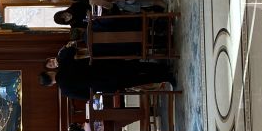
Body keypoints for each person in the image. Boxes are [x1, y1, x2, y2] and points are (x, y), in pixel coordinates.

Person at [37, 44, 173, 100]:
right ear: (49, 72)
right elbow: (71, 49)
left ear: (51, 84)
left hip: (103, 84)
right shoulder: (63, 64)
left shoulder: (66, 91)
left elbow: (87, 96)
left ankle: (166, 77)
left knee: (136, 80)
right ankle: (163, 68)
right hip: (102, 67)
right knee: (135, 66)